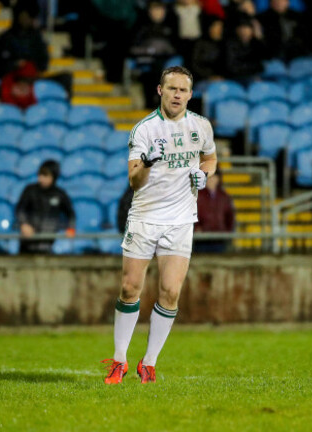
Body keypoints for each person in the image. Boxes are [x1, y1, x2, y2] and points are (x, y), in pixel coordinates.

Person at [101, 66, 217, 384]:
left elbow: (210, 158)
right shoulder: (144, 130)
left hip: (180, 220)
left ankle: (148, 363)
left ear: (190, 95)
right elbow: (134, 181)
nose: (177, 94)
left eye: (183, 90)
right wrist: (149, 163)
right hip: (145, 217)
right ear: (160, 91)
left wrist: (204, 175)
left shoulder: (201, 126)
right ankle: (119, 360)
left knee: (170, 292)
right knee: (129, 288)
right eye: (172, 89)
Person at [15, 160, 76, 254]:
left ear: (54, 177)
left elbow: (70, 213)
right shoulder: (30, 190)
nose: (42, 178)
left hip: (48, 243)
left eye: (46, 175)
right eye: (40, 175)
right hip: (27, 242)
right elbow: (20, 209)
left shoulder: (59, 194)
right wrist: (24, 224)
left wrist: (71, 228)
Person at [194, 169, 235, 252]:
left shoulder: (224, 197)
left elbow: (230, 217)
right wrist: (196, 228)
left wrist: (226, 232)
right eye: (209, 178)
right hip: (201, 241)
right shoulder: (197, 196)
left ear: (218, 179)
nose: (211, 180)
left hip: (220, 240)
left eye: (214, 177)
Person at [224, 17, 266, 82]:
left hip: (252, 76)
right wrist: (253, 67)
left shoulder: (255, 43)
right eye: (241, 28)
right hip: (236, 78)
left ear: (252, 30)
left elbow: (265, 59)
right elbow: (232, 67)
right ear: (236, 30)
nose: (243, 31)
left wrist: (259, 38)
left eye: (246, 28)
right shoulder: (230, 44)